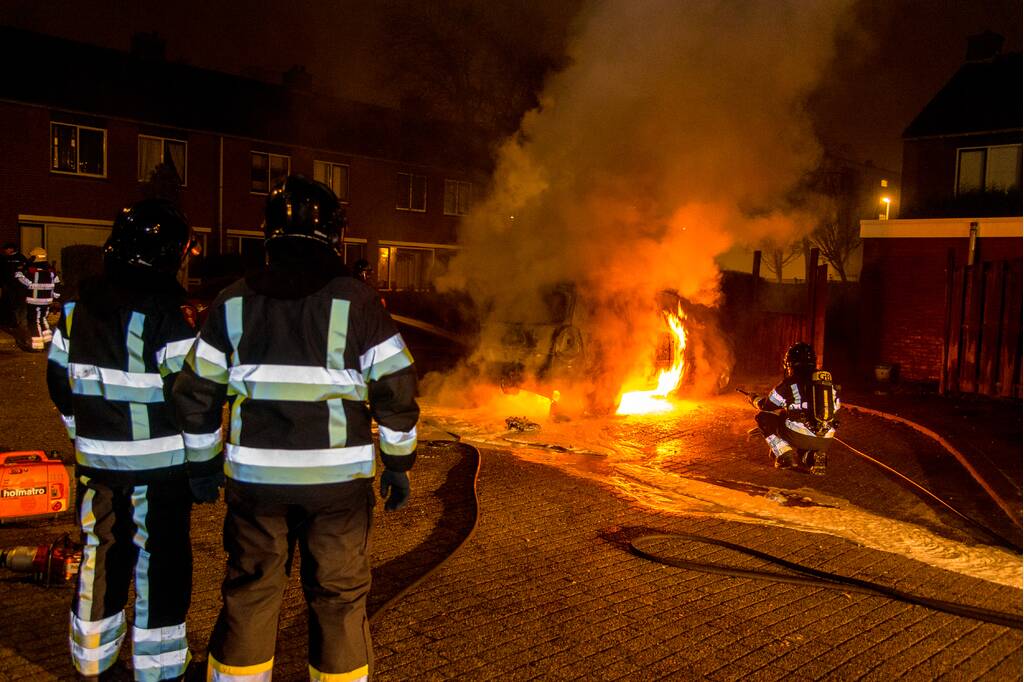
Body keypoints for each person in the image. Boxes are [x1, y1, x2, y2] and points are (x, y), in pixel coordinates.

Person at [173, 175, 419, 681]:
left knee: (251, 593)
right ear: (334, 236)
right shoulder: (359, 302)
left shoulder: (233, 301)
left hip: (257, 486)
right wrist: (397, 463)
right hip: (337, 491)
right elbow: (395, 391)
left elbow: (196, 393)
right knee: (339, 600)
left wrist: (202, 466)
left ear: (269, 235)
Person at [46, 199, 219, 681]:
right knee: (158, 564)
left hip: (97, 469)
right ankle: (160, 671)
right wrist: (204, 466)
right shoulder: (169, 316)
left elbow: (60, 385)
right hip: (160, 474)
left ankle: (93, 663)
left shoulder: (76, 313)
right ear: (168, 255)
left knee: (101, 553)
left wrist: (87, 439)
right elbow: (195, 399)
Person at [748, 342, 840, 475]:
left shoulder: (790, 382)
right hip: (825, 439)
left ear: (790, 363)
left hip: (798, 436)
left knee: (763, 417)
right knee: (796, 426)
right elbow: (835, 408)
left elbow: (767, 406)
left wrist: (754, 399)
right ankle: (812, 457)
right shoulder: (827, 384)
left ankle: (785, 456)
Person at [16, 247, 60, 350]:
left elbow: (26, 282)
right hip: (48, 300)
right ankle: (48, 341)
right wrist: (55, 298)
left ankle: (37, 346)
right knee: (42, 319)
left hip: (34, 300)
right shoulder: (51, 270)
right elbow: (57, 284)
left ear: (34, 257)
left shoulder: (32, 270)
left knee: (34, 321)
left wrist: (18, 273)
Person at [0, 242, 27, 329]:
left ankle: (17, 322)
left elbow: (24, 270)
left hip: (19, 286)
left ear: (11, 249)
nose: (5, 251)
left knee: (17, 304)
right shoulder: (5, 258)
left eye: (6, 249)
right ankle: (10, 322)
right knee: (9, 303)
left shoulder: (20, 258)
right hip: (8, 285)